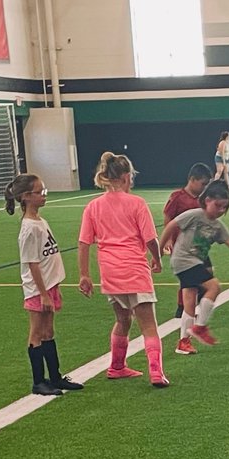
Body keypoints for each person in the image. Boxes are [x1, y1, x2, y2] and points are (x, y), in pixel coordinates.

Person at [76, 152, 168, 388]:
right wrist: (157, 259)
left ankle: (117, 367)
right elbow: (150, 239)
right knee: (148, 325)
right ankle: (156, 372)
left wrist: (84, 274)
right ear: (127, 177)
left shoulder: (93, 206)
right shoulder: (137, 203)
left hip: (110, 272)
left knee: (122, 319)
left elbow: (84, 243)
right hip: (134, 270)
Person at [160, 180, 229, 355]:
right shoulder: (195, 215)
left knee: (189, 301)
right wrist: (159, 251)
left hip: (195, 262)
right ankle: (200, 327)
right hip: (184, 260)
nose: (221, 211)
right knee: (214, 287)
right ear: (207, 200)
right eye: (218, 205)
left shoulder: (217, 226)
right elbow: (171, 226)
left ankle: (183, 343)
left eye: (224, 208)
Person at [5, 172, 81, 398]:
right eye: (40, 192)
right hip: (39, 289)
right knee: (36, 333)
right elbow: (32, 264)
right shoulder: (28, 228)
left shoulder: (40, 221)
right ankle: (39, 381)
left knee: (49, 331)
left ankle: (55, 376)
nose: (44, 196)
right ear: (27, 196)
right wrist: (44, 294)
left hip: (49, 285)